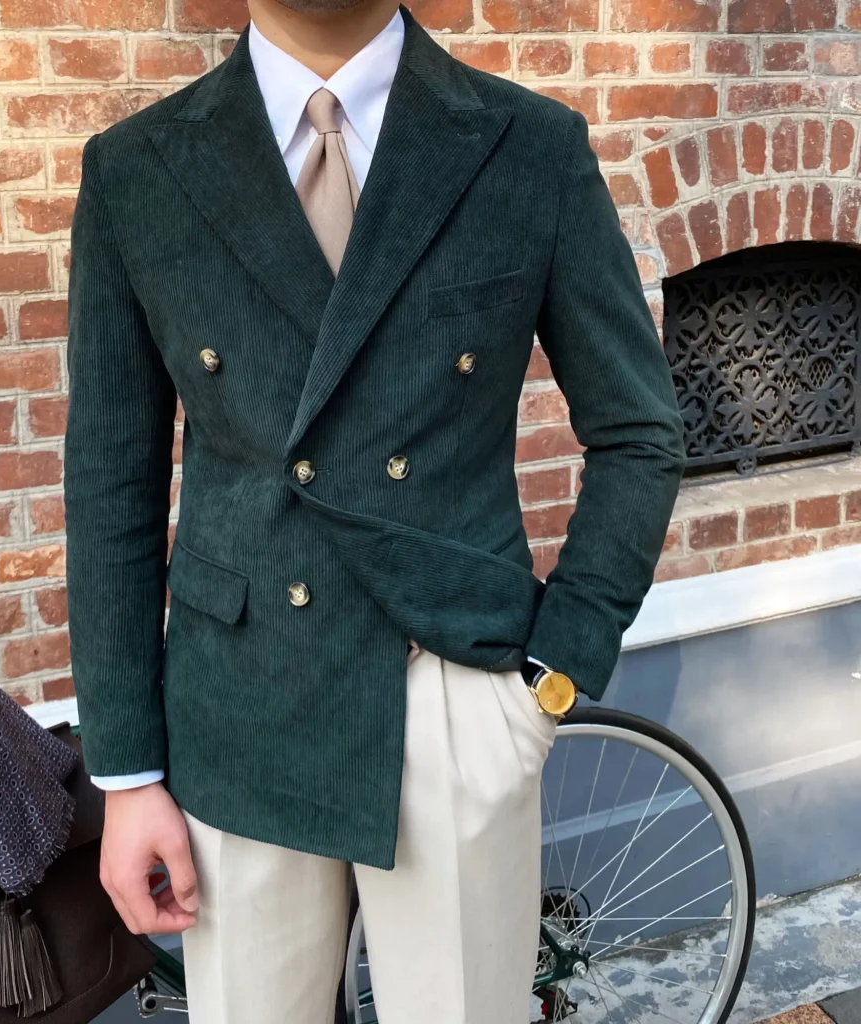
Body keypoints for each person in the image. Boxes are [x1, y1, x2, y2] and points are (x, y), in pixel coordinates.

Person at [63, 0, 687, 1020]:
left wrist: (552, 676)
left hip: (452, 695)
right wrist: (127, 773)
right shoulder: (137, 169)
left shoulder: (528, 146)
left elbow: (638, 431)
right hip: (238, 711)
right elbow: (110, 485)